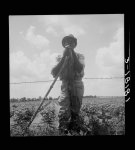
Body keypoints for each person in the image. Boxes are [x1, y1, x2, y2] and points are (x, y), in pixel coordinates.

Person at [51, 34, 85, 134]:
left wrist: (72, 53)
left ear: (75, 44)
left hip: (77, 83)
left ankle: (75, 130)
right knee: (63, 109)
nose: (68, 43)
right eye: (66, 41)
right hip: (65, 84)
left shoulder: (80, 56)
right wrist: (64, 57)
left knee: (76, 109)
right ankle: (62, 131)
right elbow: (54, 72)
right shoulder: (59, 56)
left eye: (71, 41)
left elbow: (79, 68)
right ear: (63, 44)